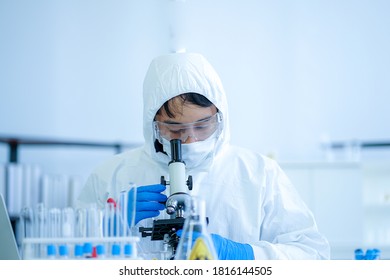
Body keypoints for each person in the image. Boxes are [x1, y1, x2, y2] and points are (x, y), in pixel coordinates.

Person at [76, 52, 330, 260]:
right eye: (175, 128)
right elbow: (64, 259)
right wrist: (106, 225)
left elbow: (313, 255)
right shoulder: (111, 176)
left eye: (202, 125)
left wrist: (245, 255)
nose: (190, 139)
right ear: (151, 122)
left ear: (220, 116)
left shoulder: (259, 174)